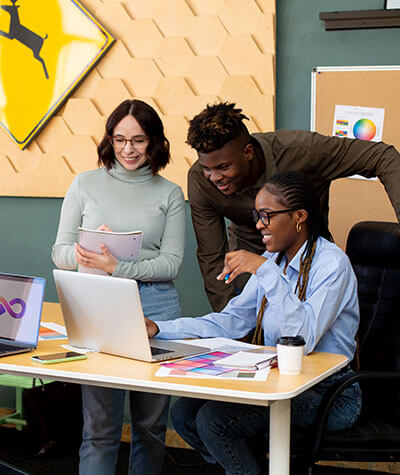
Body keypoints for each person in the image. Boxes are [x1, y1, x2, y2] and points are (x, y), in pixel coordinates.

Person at [146, 171, 362, 475]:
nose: (259, 224)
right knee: (184, 413)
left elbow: (302, 338)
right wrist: (159, 328)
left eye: (266, 215)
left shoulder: (331, 264)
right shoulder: (274, 261)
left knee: (214, 421)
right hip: (279, 380)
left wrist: (265, 271)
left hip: (330, 394)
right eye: (256, 215)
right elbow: (231, 322)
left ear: (299, 217)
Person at [52, 99, 186, 475]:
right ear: (109, 140)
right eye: (120, 139)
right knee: (99, 430)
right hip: (99, 305)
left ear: (155, 142)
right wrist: (90, 253)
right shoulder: (84, 184)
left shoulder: (170, 193)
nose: (128, 149)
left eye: (138, 140)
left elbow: (171, 263)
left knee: (151, 427)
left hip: (156, 309)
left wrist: (119, 266)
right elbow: (60, 253)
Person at [187, 102, 400, 311]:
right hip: (251, 267)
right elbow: (212, 257)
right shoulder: (200, 181)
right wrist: (228, 319)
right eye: (207, 168)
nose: (214, 177)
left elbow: (381, 156)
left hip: (309, 264)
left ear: (248, 152)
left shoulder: (303, 151)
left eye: (223, 167)